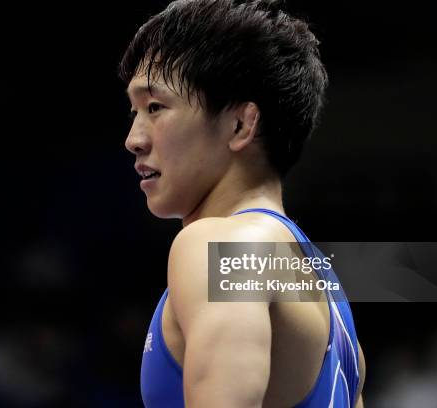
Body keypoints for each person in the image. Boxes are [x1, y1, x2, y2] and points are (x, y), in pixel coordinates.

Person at [120, 0, 365, 406]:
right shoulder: (332, 303)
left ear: (240, 124)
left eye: (155, 107)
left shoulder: (221, 245)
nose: (134, 138)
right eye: (134, 112)